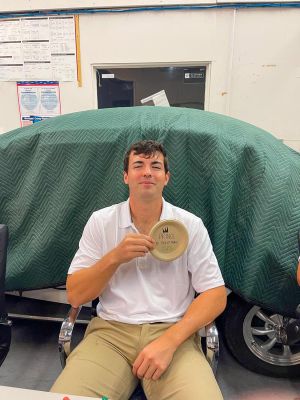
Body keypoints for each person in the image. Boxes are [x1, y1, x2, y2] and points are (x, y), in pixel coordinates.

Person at [51, 140, 227, 400]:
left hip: (172, 334)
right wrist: (115, 257)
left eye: (156, 166)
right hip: (110, 335)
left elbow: (215, 294)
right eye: (138, 165)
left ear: (166, 177)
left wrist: (170, 342)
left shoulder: (190, 225)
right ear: (125, 176)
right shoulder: (102, 222)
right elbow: (75, 295)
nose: (147, 172)